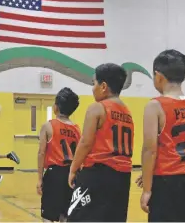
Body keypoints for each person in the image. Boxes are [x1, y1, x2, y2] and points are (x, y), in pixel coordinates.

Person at [139, 49, 185, 222]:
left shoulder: (155, 105)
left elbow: (150, 150)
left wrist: (147, 189)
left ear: (158, 76)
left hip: (170, 182)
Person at [67, 63, 134, 222]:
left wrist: (73, 168)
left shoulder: (97, 108)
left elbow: (85, 143)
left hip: (98, 173)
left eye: (93, 83)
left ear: (103, 86)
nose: (92, 88)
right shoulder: (128, 112)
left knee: (77, 218)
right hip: (123, 177)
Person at [37, 87, 81, 222]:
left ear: (56, 107)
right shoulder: (77, 129)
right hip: (72, 175)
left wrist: (39, 179)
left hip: (54, 174)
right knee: (66, 216)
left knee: (48, 216)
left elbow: (41, 153)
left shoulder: (48, 126)